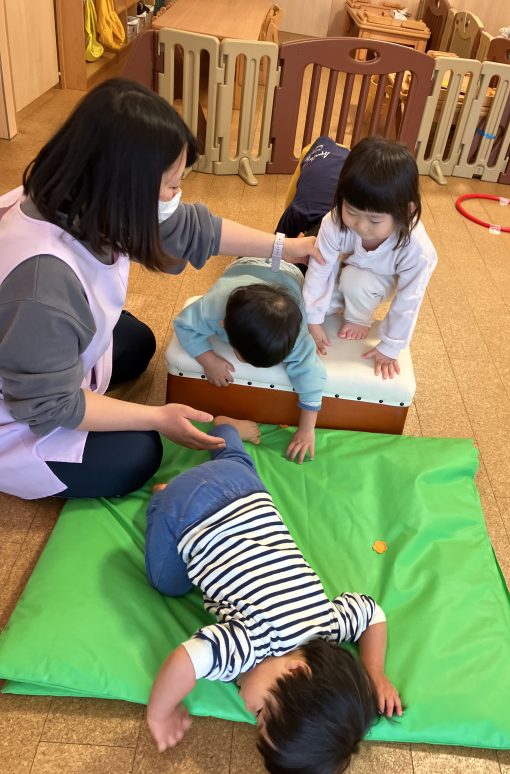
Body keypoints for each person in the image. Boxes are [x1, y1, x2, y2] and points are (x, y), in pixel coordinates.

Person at [0, 78, 320, 500]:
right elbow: (49, 406)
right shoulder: (42, 288)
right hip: (22, 406)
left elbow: (192, 228)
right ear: (125, 190)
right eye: (171, 185)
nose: (177, 195)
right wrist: (157, 417)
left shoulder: (76, 191)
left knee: (137, 343)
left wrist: (288, 247)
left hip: (31, 344)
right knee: (140, 451)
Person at [145, 417, 402, 774]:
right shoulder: (249, 645)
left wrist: (374, 672)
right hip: (185, 506)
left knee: (233, 458)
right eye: (262, 713)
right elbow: (183, 661)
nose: (251, 714)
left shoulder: (328, 625)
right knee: (166, 582)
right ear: (296, 671)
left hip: (246, 488)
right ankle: (159, 500)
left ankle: (228, 432)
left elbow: (372, 613)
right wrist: (160, 713)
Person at [302, 137, 438, 380]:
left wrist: (391, 346)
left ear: (406, 211)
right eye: (351, 211)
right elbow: (320, 268)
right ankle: (339, 304)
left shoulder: (416, 247)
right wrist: (312, 318)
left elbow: (409, 299)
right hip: (347, 264)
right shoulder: (334, 222)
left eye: (375, 220)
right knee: (315, 300)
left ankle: (358, 317)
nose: (361, 226)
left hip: (382, 277)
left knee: (356, 282)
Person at [173, 257, 326, 463]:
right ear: (223, 325)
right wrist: (208, 360)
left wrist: (307, 429)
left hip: (291, 273)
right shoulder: (212, 309)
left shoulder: (297, 337)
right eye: (242, 355)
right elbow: (184, 324)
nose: (245, 363)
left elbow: (312, 376)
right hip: (245, 264)